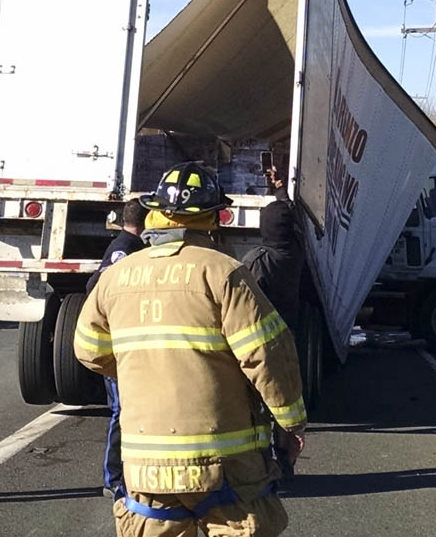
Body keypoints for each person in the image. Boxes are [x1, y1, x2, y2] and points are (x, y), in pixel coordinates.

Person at [74, 162, 306, 537]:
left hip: (145, 465)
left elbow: (88, 350)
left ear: (157, 214)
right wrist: (291, 423)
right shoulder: (225, 274)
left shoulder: (115, 278)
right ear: (214, 218)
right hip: (224, 465)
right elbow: (269, 354)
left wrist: (145, 366)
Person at [86, 199, 148, 498]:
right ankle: (113, 479)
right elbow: (97, 287)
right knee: (122, 411)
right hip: (118, 343)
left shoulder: (122, 244)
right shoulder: (128, 249)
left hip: (117, 341)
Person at [241, 200, 303, 335]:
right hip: (288, 330)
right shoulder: (296, 250)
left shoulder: (258, 262)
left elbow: (242, 307)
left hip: (264, 335)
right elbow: (292, 219)